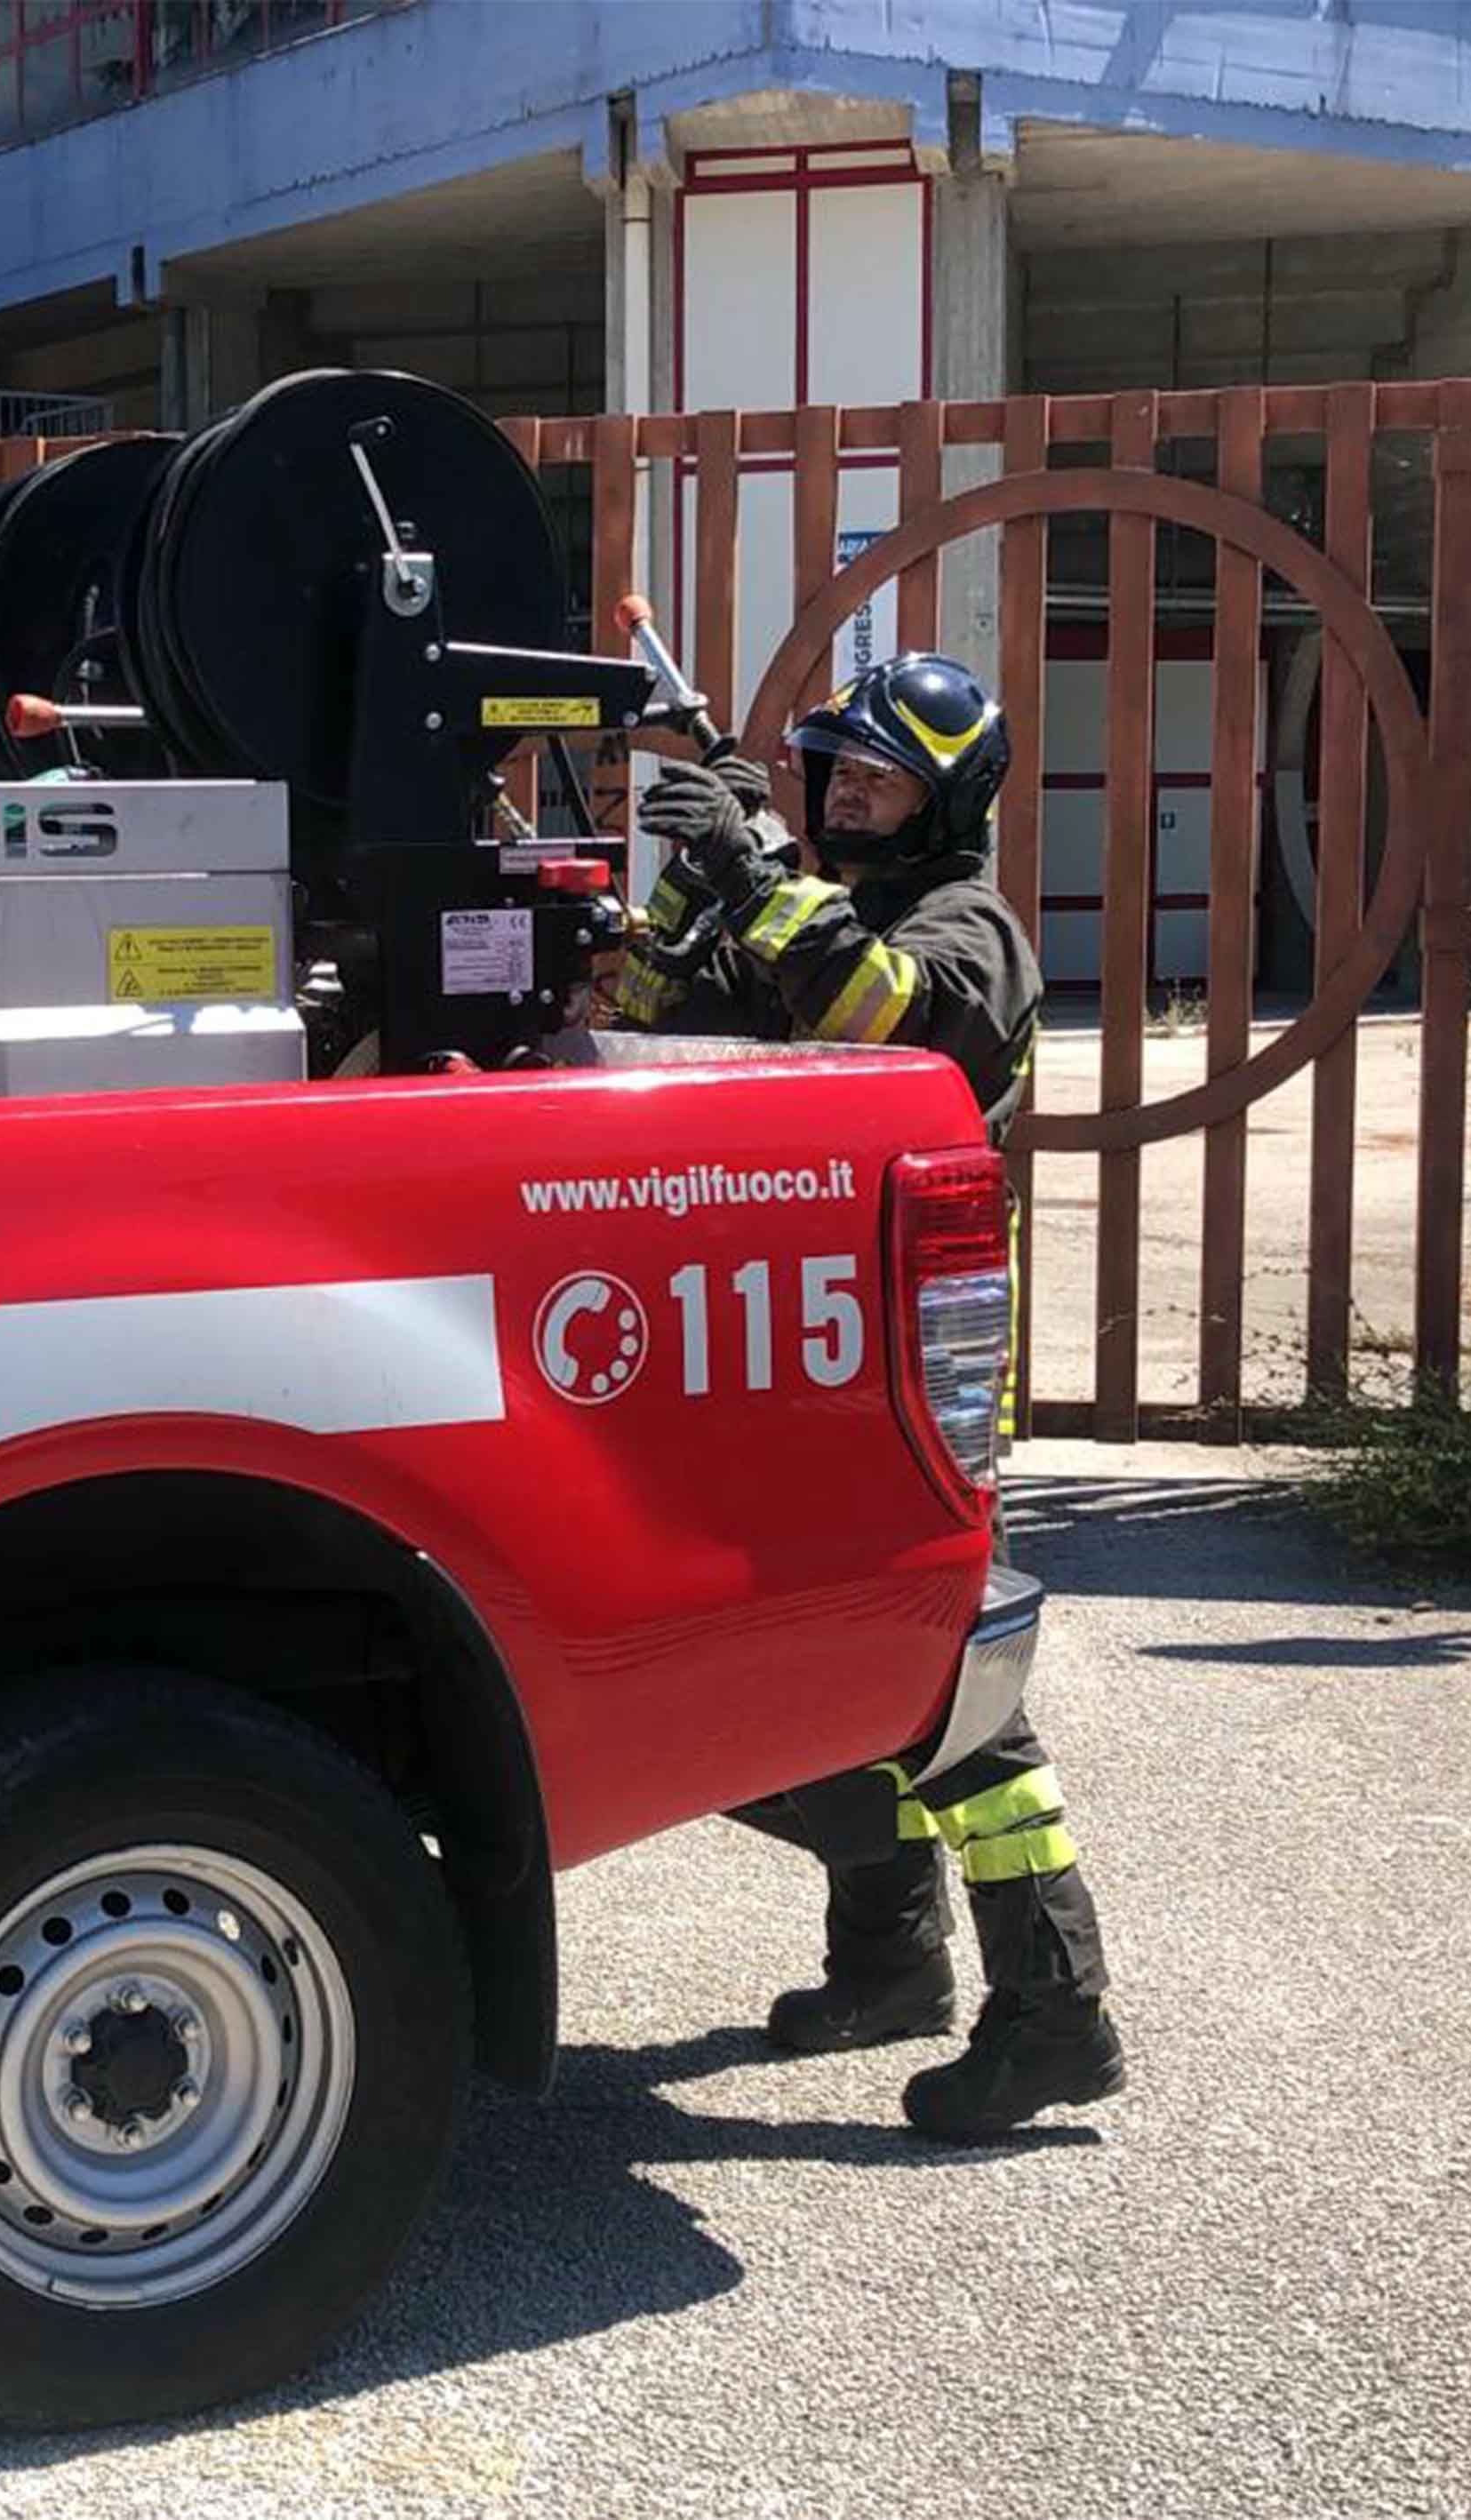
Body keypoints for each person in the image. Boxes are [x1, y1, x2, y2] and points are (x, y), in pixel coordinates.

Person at [606, 651, 1126, 2142]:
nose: (845, 800)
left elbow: (885, 1023)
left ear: (946, 801)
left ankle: (1058, 2012)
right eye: (836, 775)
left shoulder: (970, 930)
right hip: (804, 1340)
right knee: (827, 1651)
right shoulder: (819, 908)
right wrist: (688, 892)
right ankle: (891, 1963)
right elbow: (653, 1014)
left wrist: (757, 866)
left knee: (948, 1679)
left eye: (880, 782)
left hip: (908, 1361)